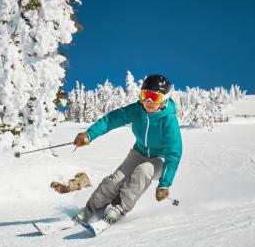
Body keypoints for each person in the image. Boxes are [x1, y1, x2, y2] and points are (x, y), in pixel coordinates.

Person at [73, 74, 183, 225]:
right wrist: (89, 135)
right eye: (146, 96)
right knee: (114, 181)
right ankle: (90, 210)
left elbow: (174, 153)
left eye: (154, 97)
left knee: (143, 172)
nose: (149, 102)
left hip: (160, 159)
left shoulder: (168, 120)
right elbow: (111, 120)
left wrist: (165, 183)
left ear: (164, 98)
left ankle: (120, 209)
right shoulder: (137, 109)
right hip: (139, 153)